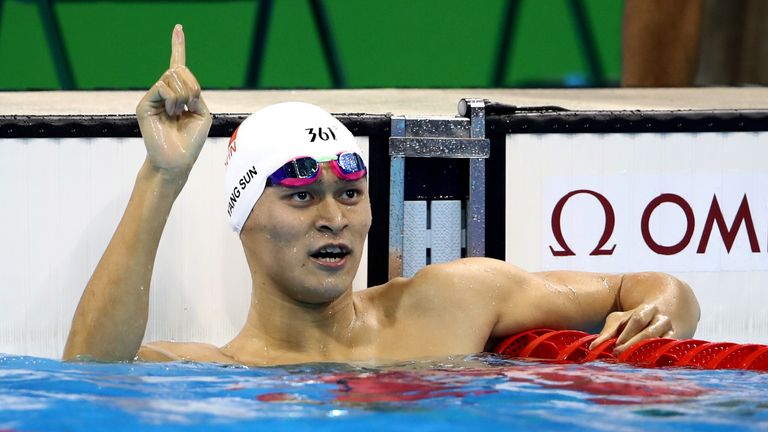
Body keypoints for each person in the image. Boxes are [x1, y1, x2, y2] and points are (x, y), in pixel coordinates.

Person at [63, 25, 700, 365]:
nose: (334, 218)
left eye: (350, 193)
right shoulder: (210, 374)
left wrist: (668, 314)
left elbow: (638, 288)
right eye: (302, 197)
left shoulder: (451, 303)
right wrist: (163, 177)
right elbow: (89, 379)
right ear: (245, 218)